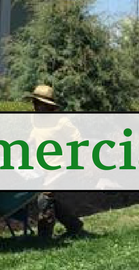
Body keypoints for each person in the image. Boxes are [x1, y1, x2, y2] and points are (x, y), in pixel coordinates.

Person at [26, 85, 86, 238]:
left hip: (59, 167)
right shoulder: (36, 119)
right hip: (41, 167)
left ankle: (44, 238)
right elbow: (34, 137)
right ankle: (74, 225)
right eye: (34, 102)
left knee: (45, 198)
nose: (36, 106)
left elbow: (78, 141)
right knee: (50, 200)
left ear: (48, 106)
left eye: (39, 103)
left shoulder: (62, 122)